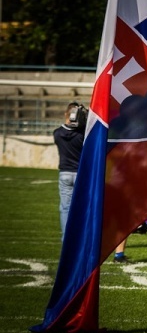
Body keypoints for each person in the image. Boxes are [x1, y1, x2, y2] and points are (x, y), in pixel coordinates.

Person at [53, 102, 86, 241]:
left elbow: (65, 130)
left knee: (65, 208)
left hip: (65, 173)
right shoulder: (82, 135)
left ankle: (66, 237)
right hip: (81, 174)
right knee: (83, 207)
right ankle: (82, 236)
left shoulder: (58, 133)